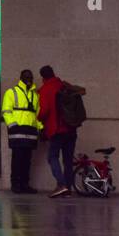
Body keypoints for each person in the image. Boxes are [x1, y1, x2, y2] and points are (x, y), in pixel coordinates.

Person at [36, 64, 86, 198]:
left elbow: (44, 111)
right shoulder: (64, 85)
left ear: (42, 77)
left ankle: (61, 184)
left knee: (52, 157)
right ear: (53, 73)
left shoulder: (46, 89)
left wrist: (38, 117)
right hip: (71, 128)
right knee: (68, 160)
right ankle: (68, 189)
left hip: (56, 130)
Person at [1, 69, 41, 194]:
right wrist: (13, 126)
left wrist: (39, 127)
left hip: (30, 131)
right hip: (17, 130)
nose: (29, 79)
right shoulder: (11, 92)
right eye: (27, 77)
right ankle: (16, 184)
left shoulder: (35, 95)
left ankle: (24, 184)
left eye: (31, 77)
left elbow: (37, 114)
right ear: (21, 78)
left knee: (27, 160)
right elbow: (6, 111)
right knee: (17, 158)